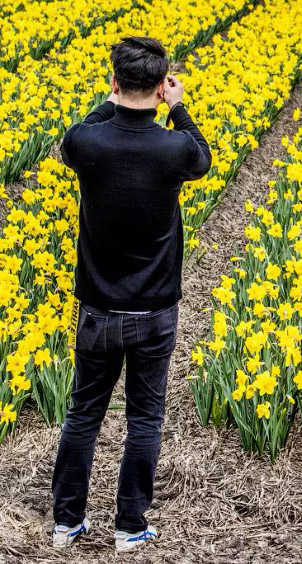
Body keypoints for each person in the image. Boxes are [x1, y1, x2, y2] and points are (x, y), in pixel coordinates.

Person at [51, 37, 211, 551]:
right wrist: (179, 106)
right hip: (155, 310)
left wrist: (111, 100)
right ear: (161, 85)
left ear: (115, 83)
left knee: (83, 414)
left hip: (97, 308)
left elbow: (78, 132)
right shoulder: (174, 148)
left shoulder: (88, 144)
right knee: (144, 417)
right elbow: (203, 155)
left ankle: (66, 523)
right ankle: (130, 527)